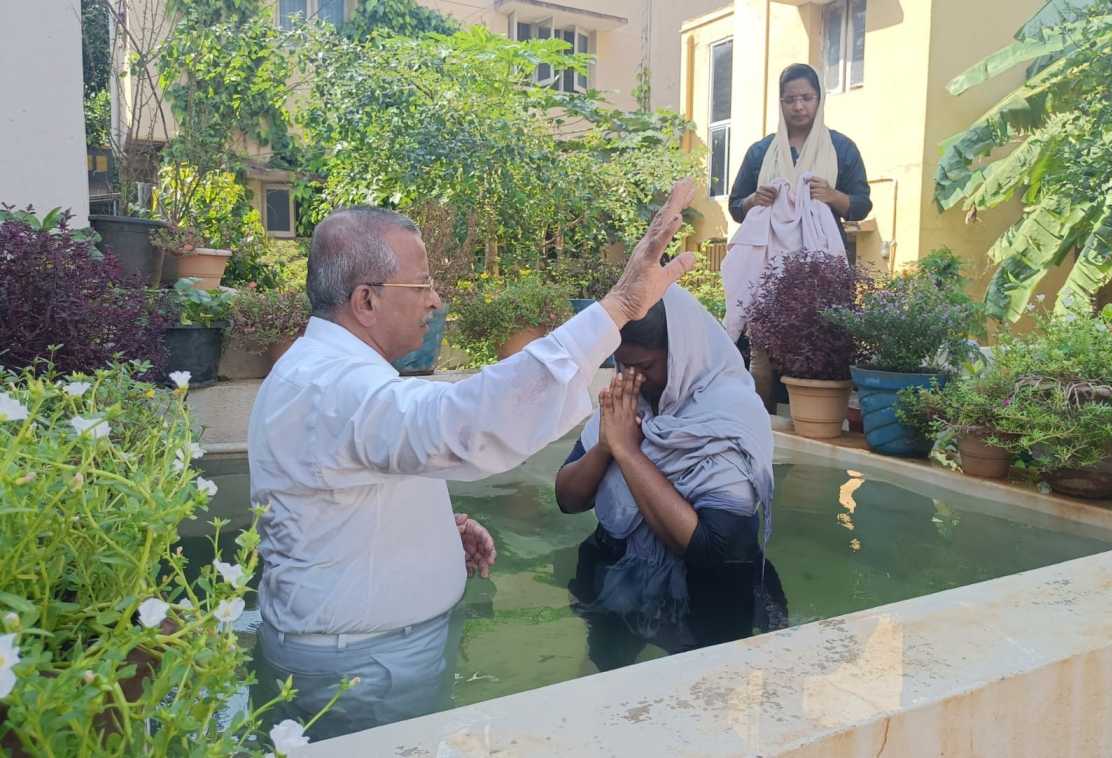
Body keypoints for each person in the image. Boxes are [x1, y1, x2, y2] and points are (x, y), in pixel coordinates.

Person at [247, 180, 696, 742]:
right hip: (361, 674)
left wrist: (433, 531)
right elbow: (467, 420)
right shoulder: (337, 386)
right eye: (423, 284)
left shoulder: (327, 373)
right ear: (366, 301)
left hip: (362, 658)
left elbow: (346, 493)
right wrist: (620, 307)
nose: (436, 300)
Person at [554, 286, 784, 668]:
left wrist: (628, 452)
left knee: (703, 700)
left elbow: (713, 550)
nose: (633, 379)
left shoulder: (729, 413)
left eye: (644, 367)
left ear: (683, 357)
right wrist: (605, 447)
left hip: (708, 600)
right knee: (607, 689)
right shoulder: (630, 403)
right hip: (618, 581)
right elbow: (567, 499)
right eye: (623, 366)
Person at [725, 63, 871, 411]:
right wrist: (753, 200)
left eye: (806, 98)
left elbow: (862, 203)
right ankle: (761, 421)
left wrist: (832, 197)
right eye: (791, 99)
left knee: (814, 344)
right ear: (781, 103)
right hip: (767, 268)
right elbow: (735, 205)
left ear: (819, 100)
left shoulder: (841, 148)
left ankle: (808, 424)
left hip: (818, 270)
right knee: (761, 350)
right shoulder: (762, 152)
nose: (799, 106)